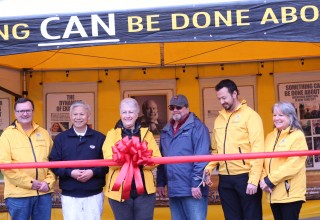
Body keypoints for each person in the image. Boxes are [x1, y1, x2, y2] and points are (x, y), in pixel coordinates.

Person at [205, 79, 264, 220]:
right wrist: (208, 169)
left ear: (235, 93)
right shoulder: (219, 119)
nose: (221, 102)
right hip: (224, 178)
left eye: (224, 98)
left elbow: (258, 149)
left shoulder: (251, 116)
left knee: (252, 217)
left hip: (246, 177)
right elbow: (216, 150)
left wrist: (253, 180)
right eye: (219, 98)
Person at [103, 97, 161, 220]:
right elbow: (109, 160)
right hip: (118, 192)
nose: (127, 115)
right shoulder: (111, 135)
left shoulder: (147, 134)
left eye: (131, 112)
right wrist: (134, 156)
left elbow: (156, 158)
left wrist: (139, 160)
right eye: (124, 112)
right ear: (120, 113)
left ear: (137, 114)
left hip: (145, 192)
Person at [49, 101, 107, 220]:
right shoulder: (61, 138)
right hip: (70, 195)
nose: (78, 117)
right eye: (75, 114)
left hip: (94, 194)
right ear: (70, 117)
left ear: (88, 116)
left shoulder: (100, 138)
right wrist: (70, 173)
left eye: (82, 114)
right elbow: (54, 163)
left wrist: (93, 172)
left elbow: (107, 164)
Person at [156, 94, 211, 220]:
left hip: (193, 190)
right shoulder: (166, 130)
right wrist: (160, 182)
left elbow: (202, 157)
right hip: (174, 189)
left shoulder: (198, 128)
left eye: (179, 107)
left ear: (187, 108)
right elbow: (161, 159)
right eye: (172, 107)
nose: (175, 110)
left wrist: (196, 184)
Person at [0, 97, 55, 220]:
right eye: (21, 111)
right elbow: (5, 166)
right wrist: (31, 183)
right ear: (15, 113)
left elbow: (53, 162)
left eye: (28, 110)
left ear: (33, 111)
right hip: (18, 195)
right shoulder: (7, 135)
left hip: (43, 193)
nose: (25, 114)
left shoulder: (44, 133)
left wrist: (48, 182)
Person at [260, 102, 308, 220]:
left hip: (290, 194)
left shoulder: (297, 136)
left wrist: (269, 180)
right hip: (273, 193)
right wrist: (263, 179)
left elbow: (293, 165)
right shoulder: (270, 136)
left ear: (290, 117)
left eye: (281, 115)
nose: (276, 118)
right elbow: (262, 160)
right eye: (274, 115)